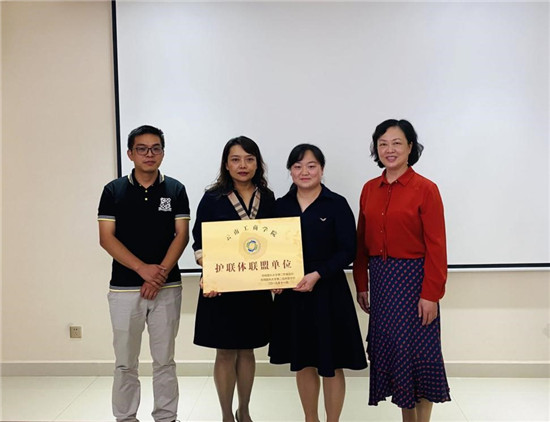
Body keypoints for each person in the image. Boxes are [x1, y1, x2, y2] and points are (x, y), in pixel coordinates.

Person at [353, 119, 451, 422]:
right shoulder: (369, 189)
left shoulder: (426, 189)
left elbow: (437, 246)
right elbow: (361, 242)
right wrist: (361, 283)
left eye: (397, 143)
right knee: (398, 358)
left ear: (410, 147)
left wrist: (431, 294)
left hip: (415, 284)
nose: (389, 149)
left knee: (420, 359)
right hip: (383, 284)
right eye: (383, 144)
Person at [269, 144, 367, 422]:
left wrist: (318, 274)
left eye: (311, 166)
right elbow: (270, 250)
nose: (305, 172)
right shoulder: (280, 206)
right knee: (303, 362)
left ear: (322, 169)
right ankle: (310, 418)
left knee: (332, 363)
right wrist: (273, 279)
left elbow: (348, 250)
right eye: (297, 166)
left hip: (329, 292)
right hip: (292, 295)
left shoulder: (336, 204)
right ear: (290, 171)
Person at [98, 125, 190, 422]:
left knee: (165, 361)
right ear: (130, 153)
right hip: (125, 288)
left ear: (162, 152)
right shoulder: (113, 191)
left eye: (155, 148)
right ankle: (126, 417)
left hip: (167, 287)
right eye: (142, 149)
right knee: (125, 362)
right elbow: (106, 238)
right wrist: (142, 270)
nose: (149, 154)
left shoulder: (175, 189)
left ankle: (166, 417)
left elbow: (182, 235)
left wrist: (158, 276)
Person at [192, 136, 275, 422]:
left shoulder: (268, 197)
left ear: (257, 164)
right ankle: (227, 414)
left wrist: (278, 275)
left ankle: (245, 410)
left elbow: (277, 242)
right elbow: (199, 241)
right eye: (236, 159)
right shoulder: (212, 197)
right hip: (222, 288)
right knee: (225, 352)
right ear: (226, 164)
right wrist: (210, 271)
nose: (243, 165)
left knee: (248, 350)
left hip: (254, 288)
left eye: (249, 159)